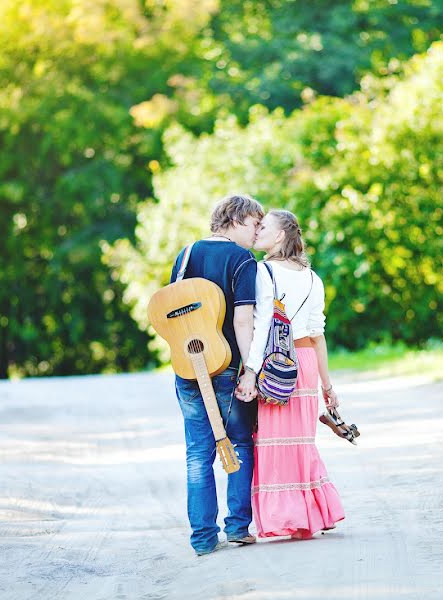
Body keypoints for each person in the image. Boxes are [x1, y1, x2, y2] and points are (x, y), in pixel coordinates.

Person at [236, 209, 345, 539]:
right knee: (301, 441)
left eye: (264, 228)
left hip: (276, 363)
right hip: (306, 362)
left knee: (272, 442)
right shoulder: (314, 278)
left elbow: (262, 324)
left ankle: (286, 517)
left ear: (280, 236)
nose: (257, 233)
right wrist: (327, 386)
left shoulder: (263, 271)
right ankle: (310, 515)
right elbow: (317, 334)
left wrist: (251, 371)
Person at [170, 194, 264, 556]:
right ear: (237, 220)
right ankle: (238, 527)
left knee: (198, 453)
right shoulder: (241, 260)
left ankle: (203, 538)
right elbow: (243, 319)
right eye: (255, 225)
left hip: (187, 366)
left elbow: (172, 312)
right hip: (224, 365)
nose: (257, 234)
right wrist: (250, 371)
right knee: (240, 442)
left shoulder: (186, 254)